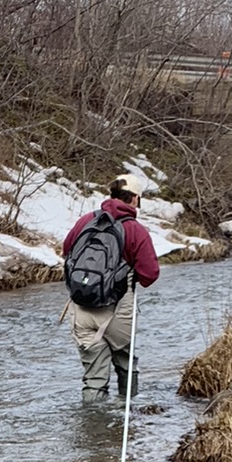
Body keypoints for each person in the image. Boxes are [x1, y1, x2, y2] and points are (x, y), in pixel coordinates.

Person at [61, 171, 160, 401]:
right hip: (117, 310)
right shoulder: (135, 230)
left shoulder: (86, 220)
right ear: (135, 199)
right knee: (126, 362)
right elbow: (150, 275)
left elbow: (67, 251)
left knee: (93, 378)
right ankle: (129, 415)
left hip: (81, 308)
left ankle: (93, 429)